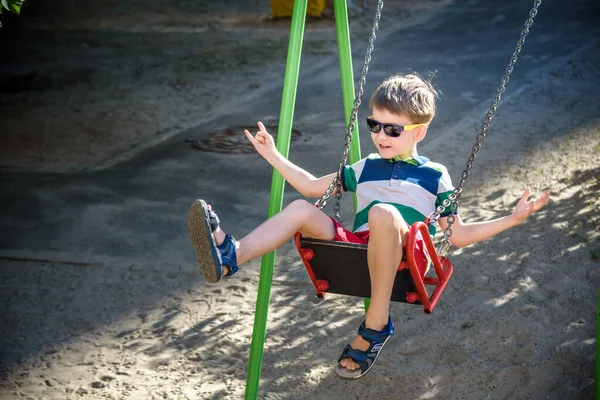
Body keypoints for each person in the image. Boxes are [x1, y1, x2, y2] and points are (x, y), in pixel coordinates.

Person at [187, 73, 551, 379]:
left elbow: (458, 235)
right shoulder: (365, 166)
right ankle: (232, 255)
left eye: (393, 129)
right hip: (361, 246)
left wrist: (513, 218)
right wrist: (272, 154)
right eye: (374, 124)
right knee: (301, 208)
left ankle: (376, 324)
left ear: (418, 133)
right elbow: (314, 187)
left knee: (383, 214)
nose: (381, 135)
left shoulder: (435, 175)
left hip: (408, 257)